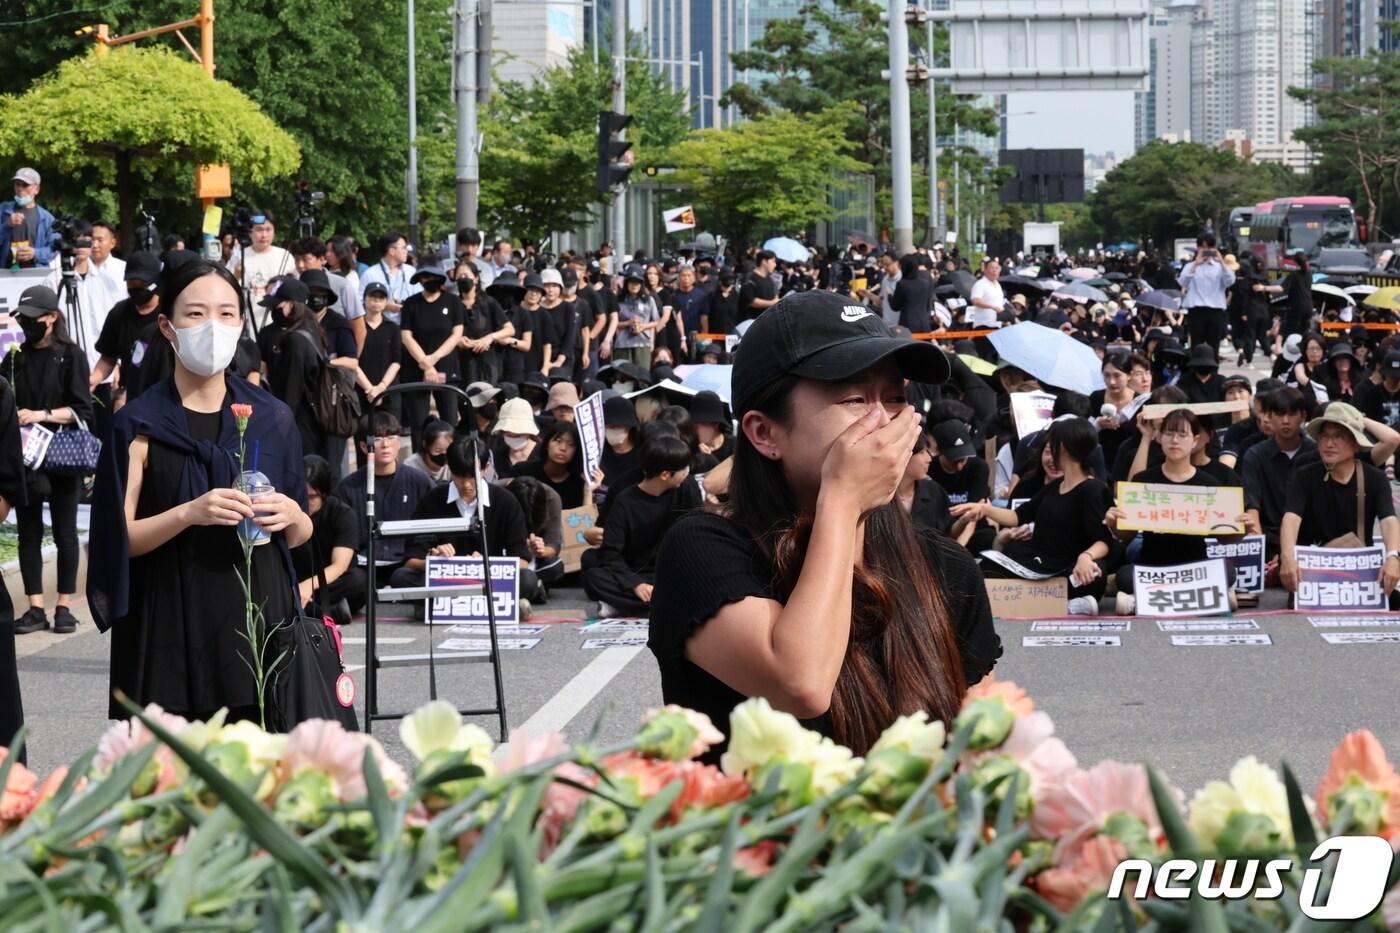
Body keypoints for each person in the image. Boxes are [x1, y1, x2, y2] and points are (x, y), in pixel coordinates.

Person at [648, 290, 999, 760]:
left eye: (896, 398)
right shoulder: (704, 548)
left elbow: (985, 748)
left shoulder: (945, 565)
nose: (882, 422)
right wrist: (843, 500)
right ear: (763, 432)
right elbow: (801, 683)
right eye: (854, 399)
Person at [87, 260, 312, 721]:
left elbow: (304, 534)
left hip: (259, 625)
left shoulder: (273, 419)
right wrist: (188, 513)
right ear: (167, 326)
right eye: (195, 314)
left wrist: (291, 514)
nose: (213, 326)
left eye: (226, 313)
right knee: (173, 779)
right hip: (169, 622)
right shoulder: (138, 425)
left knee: (262, 779)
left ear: (242, 323)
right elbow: (117, 541)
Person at [953, 418, 1116, 615]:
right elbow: (1016, 516)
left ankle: (1038, 601)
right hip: (1039, 563)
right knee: (989, 565)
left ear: (1062, 447)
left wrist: (1086, 556)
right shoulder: (1056, 486)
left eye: (1052, 445)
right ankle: (1058, 605)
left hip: (1070, 567)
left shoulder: (1093, 489)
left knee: (1094, 572)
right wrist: (984, 509)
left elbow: (1104, 540)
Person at [1107, 409, 1256, 614]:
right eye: (1169, 433)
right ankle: (1210, 597)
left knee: (1227, 571)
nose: (1174, 440)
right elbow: (1126, 535)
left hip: (1195, 567)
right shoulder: (1144, 481)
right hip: (1153, 567)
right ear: (1159, 437)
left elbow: (1225, 538)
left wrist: (1242, 529)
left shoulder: (1209, 485)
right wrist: (1115, 524)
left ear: (1195, 440)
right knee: (1125, 575)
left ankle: (1141, 601)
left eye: (1182, 434)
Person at [8, 286, 92, 635]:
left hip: (61, 455)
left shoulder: (70, 355)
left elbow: (82, 409)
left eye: (33, 319)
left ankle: (64, 605)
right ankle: (34, 607)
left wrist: (41, 414)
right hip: (25, 457)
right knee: (28, 531)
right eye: (22, 319)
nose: (27, 326)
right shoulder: (15, 357)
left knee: (65, 531)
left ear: (52, 317)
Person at [393, 436, 538, 613]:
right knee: (401, 578)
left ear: (486, 468)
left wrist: (487, 564)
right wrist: (434, 559)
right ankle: (502, 601)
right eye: (459, 477)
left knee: (527, 580)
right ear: (450, 469)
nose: (467, 485)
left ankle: (434, 603)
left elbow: (521, 559)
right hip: (446, 577)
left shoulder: (505, 501)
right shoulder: (433, 499)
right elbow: (411, 560)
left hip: (489, 575)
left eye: (472, 478)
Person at [1280, 402, 1400, 603]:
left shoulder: (1375, 478)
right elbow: (1291, 519)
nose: (1329, 443)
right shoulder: (1303, 476)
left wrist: (1393, 557)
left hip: (1360, 567)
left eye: (1339, 437)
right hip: (1315, 567)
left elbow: (1389, 520)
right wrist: (1287, 558)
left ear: (1355, 444)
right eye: (1325, 436)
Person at [584, 432, 700, 617]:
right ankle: (667, 604)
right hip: (636, 572)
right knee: (594, 576)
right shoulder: (625, 501)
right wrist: (635, 584)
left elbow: (697, 534)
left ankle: (626, 606)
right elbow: (610, 553)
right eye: (683, 469)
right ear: (665, 475)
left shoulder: (687, 487)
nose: (687, 472)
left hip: (674, 570)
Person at [332, 410, 435, 577]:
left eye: (391, 437)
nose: (385, 445)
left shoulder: (420, 481)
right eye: (378, 439)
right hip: (364, 563)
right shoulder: (348, 487)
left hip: (407, 562)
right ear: (364, 447)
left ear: (399, 442)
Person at [256, 278, 326, 461]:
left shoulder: (296, 340)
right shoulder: (312, 330)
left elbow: (293, 387)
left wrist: (282, 420)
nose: (275, 310)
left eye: (279, 305)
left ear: (292, 305)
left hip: (300, 419)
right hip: (310, 416)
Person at [291, 454, 365, 624]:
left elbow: (340, 565)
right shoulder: (290, 511)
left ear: (324, 493)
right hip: (297, 579)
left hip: (328, 581)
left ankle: (307, 610)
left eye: (311, 497)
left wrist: (308, 586)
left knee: (359, 580)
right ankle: (326, 613)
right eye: (301, 496)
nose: (305, 502)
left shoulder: (342, 514)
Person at [399, 263, 464, 446]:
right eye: (425, 278)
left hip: (446, 367)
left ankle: (451, 461)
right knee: (418, 423)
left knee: (450, 421)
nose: (429, 281)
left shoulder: (453, 301)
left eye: (433, 278)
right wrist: (425, 363)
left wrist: (434, 358)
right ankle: (419, 462)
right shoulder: (411, 303)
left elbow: (456, 334)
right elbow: (406, 336)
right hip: (417, 368)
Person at [90, 251, 165, 406]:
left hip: (165, 395)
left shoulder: (169, 312)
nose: (136, 290)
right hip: (130, 396)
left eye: (142, 285)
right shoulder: (120, 312)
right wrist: (93, 379)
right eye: (131, 284)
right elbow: (108, 358)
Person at [505, 475, 564, 599]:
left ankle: (527, 588)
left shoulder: (552, 498)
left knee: (555, 566)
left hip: (533, 561)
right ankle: (533, 589)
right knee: (526, 579)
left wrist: (541, 550)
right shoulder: (496, 493)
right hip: (503, 560)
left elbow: (554, 545)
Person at [516, 419, 593, 509]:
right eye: (558, 441)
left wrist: (588, 490)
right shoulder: (522, 471)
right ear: (546, 444)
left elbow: (586, 520)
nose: (563, 448)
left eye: (571, 444)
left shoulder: (579, 482)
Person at [1178, 235, 1234, 354]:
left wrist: (1222, 261)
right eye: (1203, 248)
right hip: (1196, 310)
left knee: (1214, 346)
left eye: (1209, 247)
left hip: (1216, 311)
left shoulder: (1220, 268)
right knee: (1196, 345)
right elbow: (1183, 282)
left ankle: (1213, 371)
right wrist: (1195, 264)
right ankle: (1195, 371)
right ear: (1198, 248)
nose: (1206, 251)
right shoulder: (1190, 266)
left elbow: (1230, 281)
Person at [457, 262, 509, 386]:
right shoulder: (454, 303)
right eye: (459, 276)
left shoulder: (489, 302)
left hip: (487, 362)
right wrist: (458, 340)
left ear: (476, 278)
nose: (462, 278)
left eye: (466, 275)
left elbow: (509, 329)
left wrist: (489, 338)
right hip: (462, 362)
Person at [234, 210, 294, 316]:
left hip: (277, 317)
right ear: (250, 232)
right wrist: (236, 275)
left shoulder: (284, 256)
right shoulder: (239, 256)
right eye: (259, 230)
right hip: (247, 317)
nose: (264, 235)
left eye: (268, 230)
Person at [898, 430, 953, 536]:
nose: (929, 459)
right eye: (922, 452)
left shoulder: (933, 491)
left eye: (928, 452)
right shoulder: (879, 499)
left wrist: (965, 521)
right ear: (904, 455)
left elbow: (948, 531)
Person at [0, 168, 54, 269]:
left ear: (37, 189)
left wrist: (35, 253)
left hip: (35, 275)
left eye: (25, 185)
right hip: (4, 274)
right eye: (17, 184)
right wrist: (7, 225)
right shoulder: (3, 211)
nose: (20, 188)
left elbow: (55, 249)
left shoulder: (47, 218)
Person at [615, 269, 661, 366]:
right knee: (623, 374)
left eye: (637, 283)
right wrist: (628, 323)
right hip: (623, 343)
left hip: (643, 342)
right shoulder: (619, 300)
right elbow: (613, 323)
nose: (634, 286)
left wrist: (643, 326)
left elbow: (656, 321)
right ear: (626, 283)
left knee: (643, 374)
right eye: (631, 282)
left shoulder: (649, 300)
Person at [491, 397, 542, 477]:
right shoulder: (496, 456)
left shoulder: (543, 454)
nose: (512, 435)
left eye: (518, 434)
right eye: (508, 433)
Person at [403, 418, 453, 483]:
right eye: (438, 450)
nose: (444, 454)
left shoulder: (454, 464)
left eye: (448, 450)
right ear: (425, 445)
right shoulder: (410, 466)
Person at [738, 250, 779, 322]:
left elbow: (775, 296)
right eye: (773, 261)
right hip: (750, 322)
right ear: (764, 261)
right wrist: (772, 303)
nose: (775, 265)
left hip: (766, 322)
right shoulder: (750, 278)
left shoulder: (770, 280)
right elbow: (750, 301)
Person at [968, 259, 1005, 329]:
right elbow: (976, 300)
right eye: (992, 268)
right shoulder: (980, 284)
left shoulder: (998, 285)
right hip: (983, 324)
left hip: (997, 324)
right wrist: (992, 307)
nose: (995, 271)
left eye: (997, 268)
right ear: (985, 270)